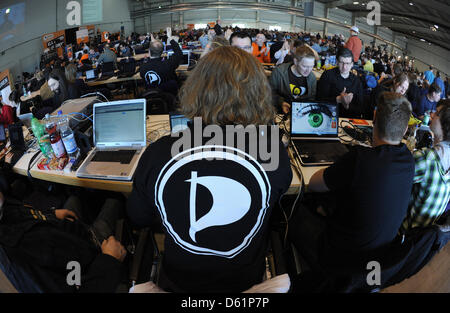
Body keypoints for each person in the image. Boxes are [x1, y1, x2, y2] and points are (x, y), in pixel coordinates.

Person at [127, 46, 292, 293]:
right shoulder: (272, 152)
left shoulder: (157, 153)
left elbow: (138, 217)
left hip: (178, 281)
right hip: (246, 280)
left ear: (195, 90)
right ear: (258, 93)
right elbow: (273, 202)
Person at [288, 92, 415, 286]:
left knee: (292, 209)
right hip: (375, 260)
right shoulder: (408, 160)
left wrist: (334, 165)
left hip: (339, 260)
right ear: (405, 129)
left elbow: (313, 183)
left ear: (373, 118)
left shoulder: (359, 159)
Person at [0, 176, 126, 293]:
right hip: (89, 261)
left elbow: (25, 215)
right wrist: (109, 260)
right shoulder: (15, 257)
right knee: (115, 199)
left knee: (76, 195)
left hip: (65, 234)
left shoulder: (5, 206)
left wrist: (51, 214)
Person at [402, 99, 450, 230]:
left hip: (406, 231)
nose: (432, 114)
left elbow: (393, 180)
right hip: (424, 237)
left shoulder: (426, 159)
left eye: (437, 113)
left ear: (445, 124)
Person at [316, 48, 364, 118]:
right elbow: (319, 100)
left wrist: (347, 105)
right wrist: (338, 99)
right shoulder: (327, 75)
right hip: (328, 116)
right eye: (342, 62)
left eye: (347, 63)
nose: (344, 67)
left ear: (352, 64)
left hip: (348, 118)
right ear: (337, 62)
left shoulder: (357, 81)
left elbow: (360, 108)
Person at [269, 45, 317, 114]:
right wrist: (281, 102)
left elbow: (312, 99)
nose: (308, 70)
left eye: (311, 66)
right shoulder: (278, 72)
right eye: (305, 66)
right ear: (296, 61)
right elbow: (269, 94)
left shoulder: (312, 78)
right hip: (280, 113)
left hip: (302, 113)